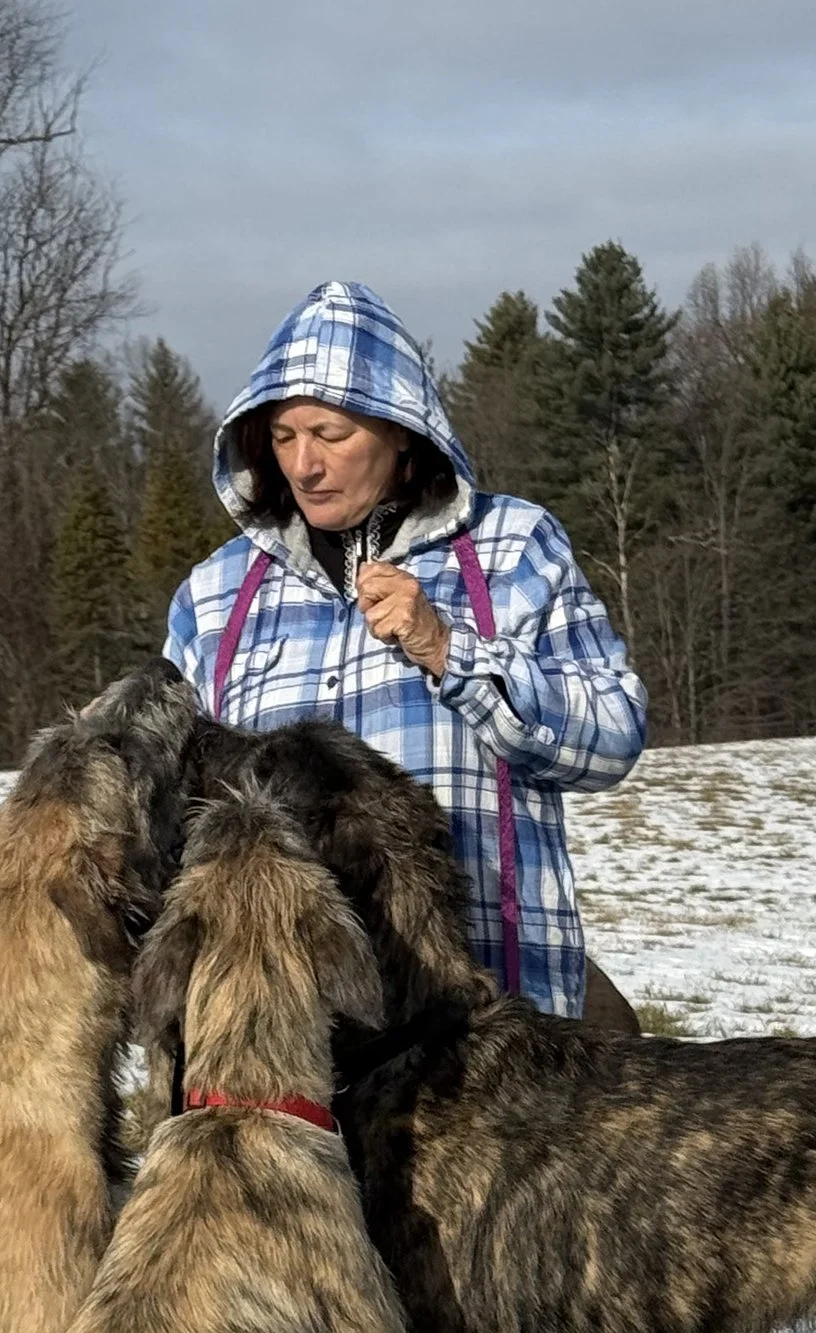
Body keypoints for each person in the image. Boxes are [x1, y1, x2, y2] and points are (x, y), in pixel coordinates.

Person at [162, 279, 647, 1017]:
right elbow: (167, 807)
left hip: (486, 1035)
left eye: (330, 434)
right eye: (284, 437)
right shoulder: (217, 594)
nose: (304, 466)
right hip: (289, 1047)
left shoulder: (510, 549)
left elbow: (612, 739)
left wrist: (449, 650)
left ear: (401, 431)